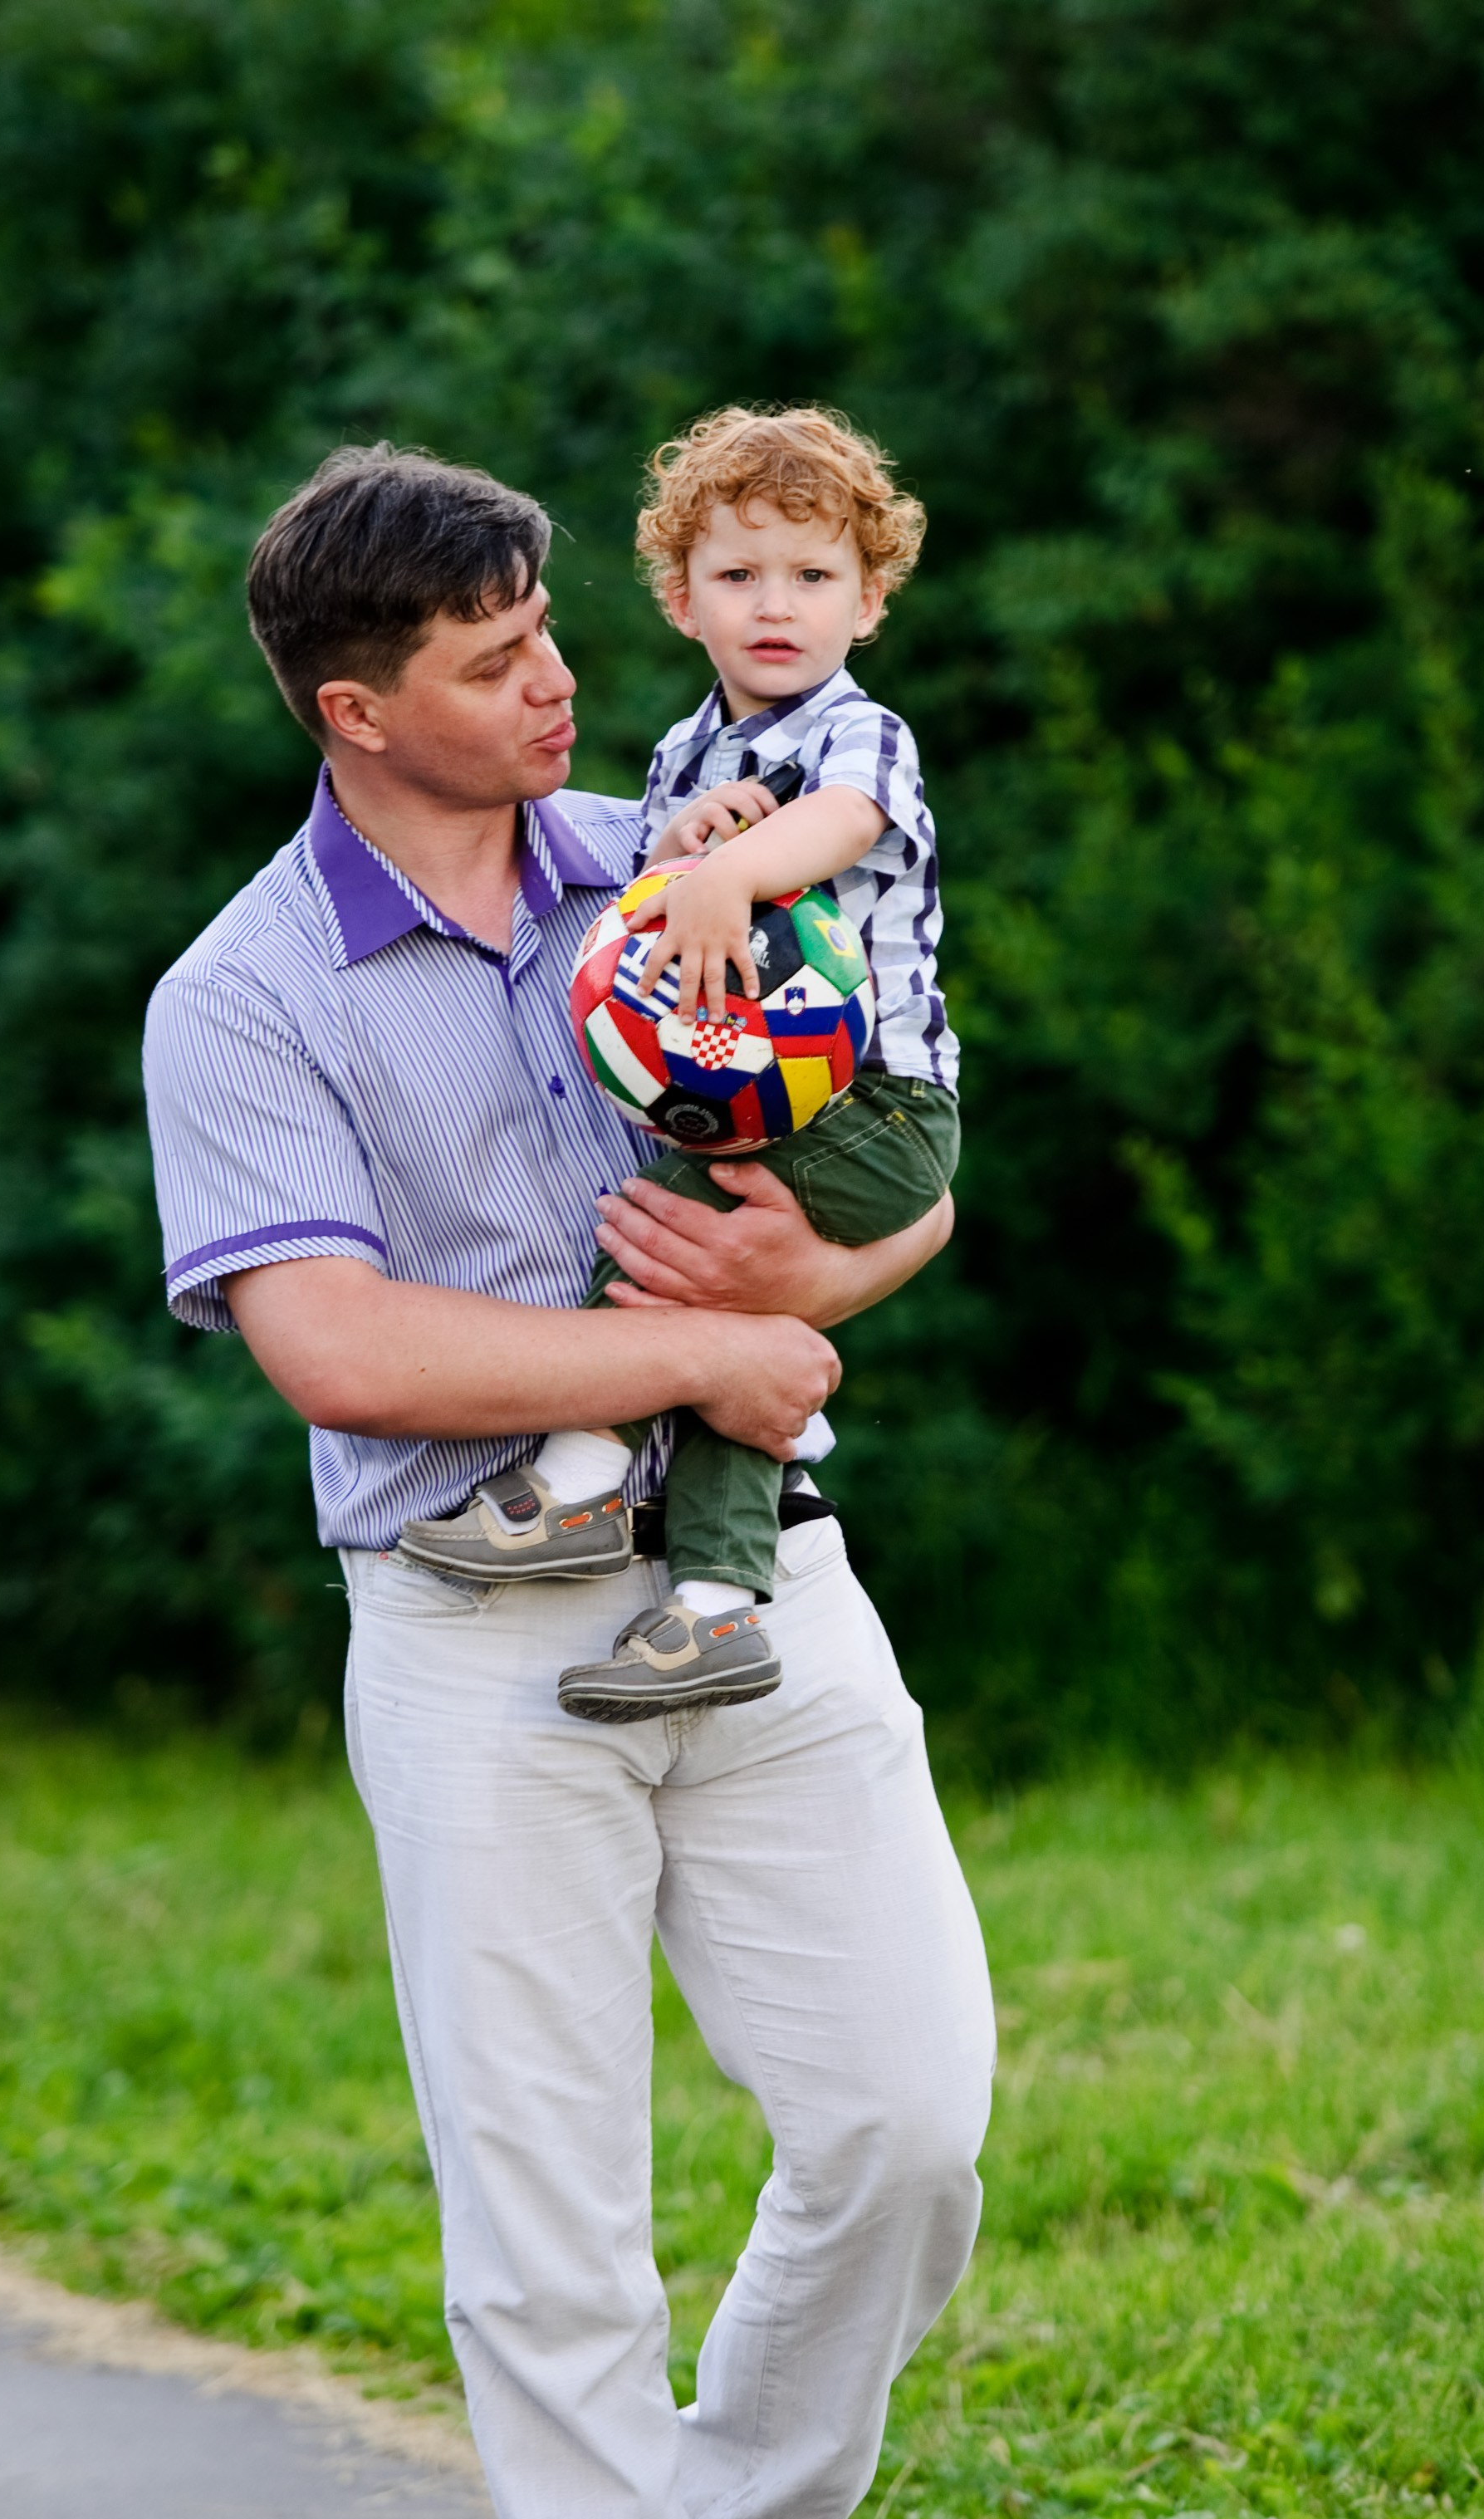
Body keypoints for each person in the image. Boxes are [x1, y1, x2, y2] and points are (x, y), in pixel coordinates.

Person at [142, 439, 996, 2519]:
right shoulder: (248, 993)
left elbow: (910, 1169)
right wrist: (673, 1348)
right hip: (479, 1644)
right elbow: (329, 1339)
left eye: (549, 632)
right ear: (353, 706)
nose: (562, 679)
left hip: (766, 1582)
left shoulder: (684, 849)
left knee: (907, 2122)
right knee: (550, 2232)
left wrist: (799, 1316)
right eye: (499, 657)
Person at [394, 404, 961, 1732]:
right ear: (679, 598)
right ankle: (716, 1607)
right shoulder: (677, 753)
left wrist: (726, 870)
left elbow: (835, 824)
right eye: (739, 575)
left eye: (815, 576)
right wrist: (679, 852)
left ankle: (583, 1470)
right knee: (722, 1341)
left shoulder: (856, 732)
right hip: (745, 1102)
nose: (778, 606)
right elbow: (646, 915)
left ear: (869, 602)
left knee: (661, 1244)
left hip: (877, 1111)